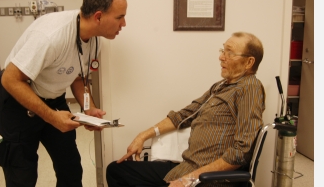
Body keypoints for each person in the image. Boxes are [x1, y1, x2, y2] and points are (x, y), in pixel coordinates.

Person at [0, 0, 127, 187]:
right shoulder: (51, 36)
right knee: (22, 176)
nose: (124, 24)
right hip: (17, 100)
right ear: (98, 17)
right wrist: (52, 117)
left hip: (52, 99)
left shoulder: (95, 41)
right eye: (119, 17)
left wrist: (89, 109)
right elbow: (10, 79)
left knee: (70, 168)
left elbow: (78, 77)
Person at [106, 32, 265, 187]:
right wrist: (142, 136)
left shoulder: (250, 88)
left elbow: (241, 152)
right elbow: (184, 115)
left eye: (230, 53)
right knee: (117, 171)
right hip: (187, 168)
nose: (221, 56)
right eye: (223, 50)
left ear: (249, 62)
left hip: (208, 179)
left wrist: (189, 179)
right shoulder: (221, 86)